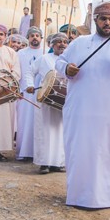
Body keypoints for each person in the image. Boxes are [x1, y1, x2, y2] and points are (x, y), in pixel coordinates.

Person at [55, 2, 110, 209]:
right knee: (82, 152)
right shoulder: (79, 43)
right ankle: (80, 196)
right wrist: (67, 68)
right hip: (82, 111)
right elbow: (59, 62)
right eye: (103, 19)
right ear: (95, 20)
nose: (108, 23)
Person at [25, 32, 68, 174]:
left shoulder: (70, 60)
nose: (62, 44)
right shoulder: (44, 58)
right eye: (58, 42)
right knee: (44, 131)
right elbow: (29, 71)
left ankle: (58, 163)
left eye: (65, 42)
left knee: (60, 131)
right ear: (52, 44)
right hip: (45, 98)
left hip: (63, 100)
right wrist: (30, 85)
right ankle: (44, 163)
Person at [0, 24, 21, 161]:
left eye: (1, 34)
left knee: (4, 121)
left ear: (5, 37)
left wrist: (9, 83)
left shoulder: (11, 52)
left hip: (6, 90)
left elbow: (16, 71)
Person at [15, 26, 43, 161]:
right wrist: (18, 90)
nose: (35, 38)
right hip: (24, 92)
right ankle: (24, 152)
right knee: (24, 122)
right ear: (28, 38)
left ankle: (38, 152)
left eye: (37, 35)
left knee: (38, 122)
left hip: (41, 92)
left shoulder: (45, 52)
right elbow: (17, 72)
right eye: (32, 35)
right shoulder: (21, 53)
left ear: (41, 38)